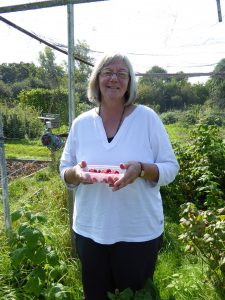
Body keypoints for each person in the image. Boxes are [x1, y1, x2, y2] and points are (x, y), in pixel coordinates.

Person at [60, 52, 179, 300]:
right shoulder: (81, 123)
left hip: (137, 233)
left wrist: (142, 169)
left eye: (121, 73)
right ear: (96, 79)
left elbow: (170, 167)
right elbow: (65, 170)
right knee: (95, 296)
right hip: (91, 230)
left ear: (130, 82)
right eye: (107, 72)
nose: (114, 78)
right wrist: (76, 173)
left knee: (135, 296)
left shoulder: (147, 119)